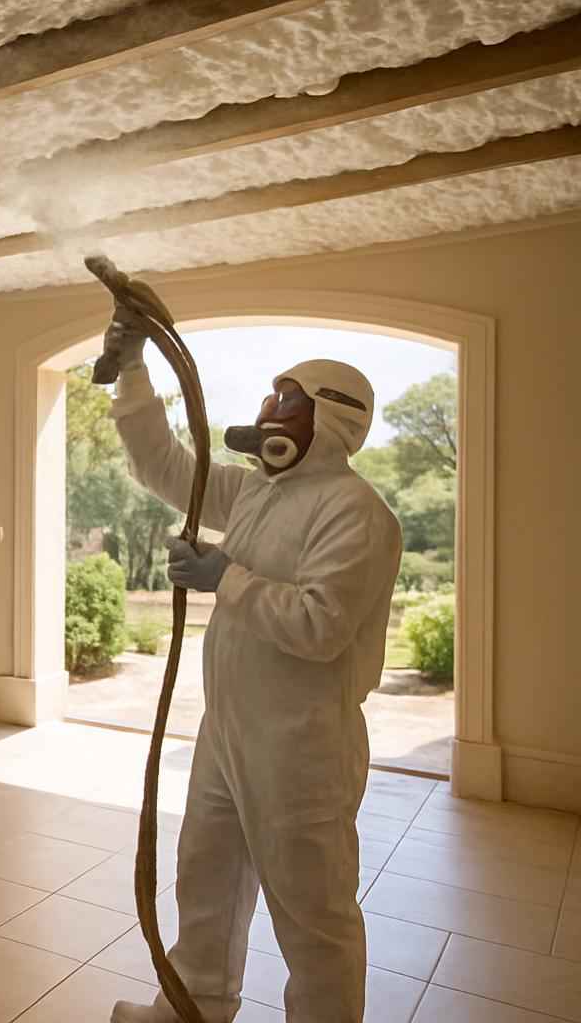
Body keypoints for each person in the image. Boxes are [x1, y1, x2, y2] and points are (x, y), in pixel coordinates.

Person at [101, 306, 403, 1023]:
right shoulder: (253, 492)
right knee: (206, 876)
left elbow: (321, 626)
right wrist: (133, 368)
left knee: (312, 912)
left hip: (303, 745)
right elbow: (165, 465)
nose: (267, 409)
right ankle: (194, 1006)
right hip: (228, 729)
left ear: (332, 418)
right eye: (271, 394)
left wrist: (224, 577)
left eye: (287, 399)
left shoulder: (357, 512)